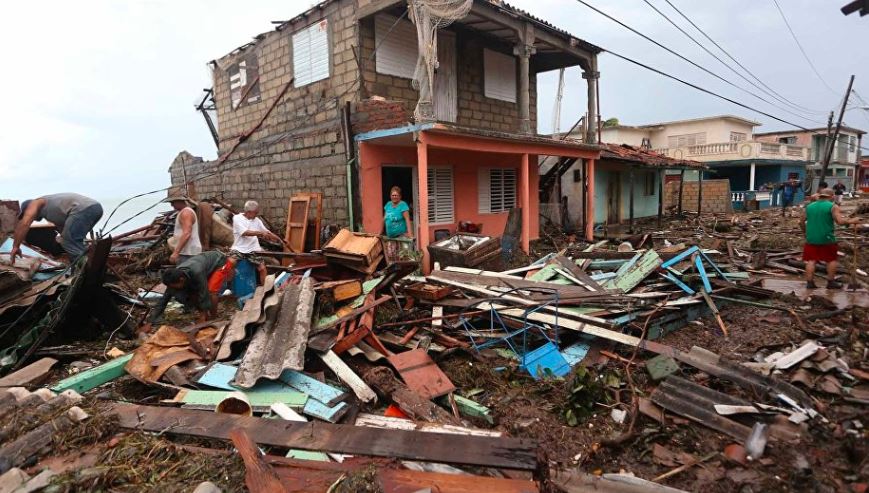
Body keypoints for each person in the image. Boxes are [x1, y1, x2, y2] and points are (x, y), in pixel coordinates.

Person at [138, 251, 232, 336]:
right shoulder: (174, 280)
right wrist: (149, 322)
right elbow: (163, 300)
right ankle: (205, 315)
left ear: (181, 280)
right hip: (203, 265)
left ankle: (213, 318)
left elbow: (203, 292)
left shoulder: (196, 272)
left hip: (218, 261)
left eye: (175, 286)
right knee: (190, 294)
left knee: (211, 292)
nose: (173, 289)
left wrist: (202, 317)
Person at [11, 193, 103, 262]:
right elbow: (64, 230)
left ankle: (84, 270)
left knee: (69, 242)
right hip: (95, 208)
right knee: (72, 242)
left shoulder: (34, 203)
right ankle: (86, 264)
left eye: (26, 214)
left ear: (28, 209)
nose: (33, 218)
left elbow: (24, 224)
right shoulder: (52, 213)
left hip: (83, 209)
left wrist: (15, 246)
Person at [801, 188, 860, 289]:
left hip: (811, 237)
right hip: (827, 237)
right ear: (832, 196)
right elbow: (840, 222)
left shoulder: (809, 206)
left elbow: (801, 221)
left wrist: (805, 232)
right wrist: (852, 221)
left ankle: (810, 283)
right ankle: (831, 282)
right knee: (831, 259)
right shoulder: (833, 206)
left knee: (811, 260)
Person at [230, 200, 282, 284]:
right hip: (239, 249)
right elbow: (245, 232)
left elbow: (266, 232)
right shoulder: (237, 218)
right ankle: (229, 286)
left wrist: (279, 239)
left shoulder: (257, 220)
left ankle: (264, 290)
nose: (256, 214)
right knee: (230, 263)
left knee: (262, 269)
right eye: (256, 212)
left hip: (253, 249)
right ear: (249, 212)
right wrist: (261, 233)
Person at [166, 195, 201, 264]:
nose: (171, 205)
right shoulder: (184, 212)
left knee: (185, 273)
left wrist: (176, 252)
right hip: (187, 252)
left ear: (180, 200)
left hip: (188, 254)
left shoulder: (186, 213)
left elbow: (187, 233)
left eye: (173, 202)